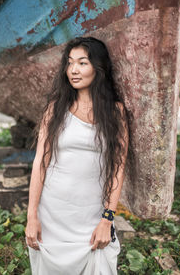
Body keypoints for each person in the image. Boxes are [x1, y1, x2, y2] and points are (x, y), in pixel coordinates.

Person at [25, 36, 129, 274]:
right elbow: (40, 165)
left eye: (82, 63)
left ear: (98, 67)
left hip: (91, 216)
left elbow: (118, 168)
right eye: (70, 63)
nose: (73, 70)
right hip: (52, 214)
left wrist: (107, 220)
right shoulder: (55, 109)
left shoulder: (116, 113)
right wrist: (32, 217)